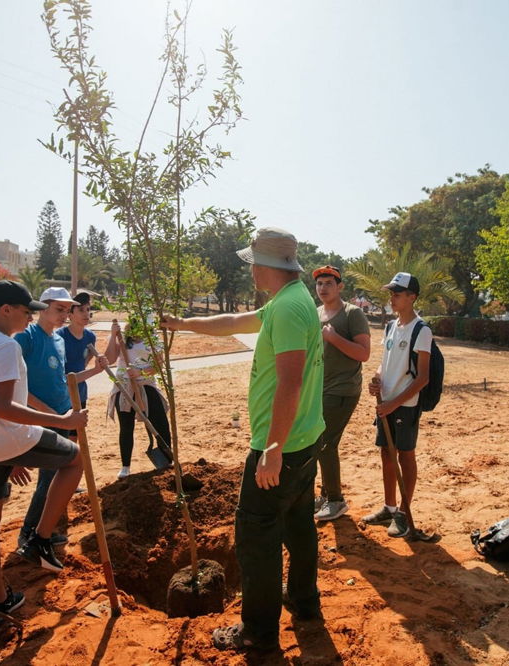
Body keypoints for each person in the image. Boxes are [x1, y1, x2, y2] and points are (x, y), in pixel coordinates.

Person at [162, 226, 324, 653]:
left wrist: (270, 450)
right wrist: (184, 323)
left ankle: (257, 634)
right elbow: (233, 322)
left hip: (281, 448)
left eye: (253, 261)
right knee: (299, 526)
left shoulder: (288, 309)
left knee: (255, 540)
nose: (250, 269)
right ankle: (305, 603)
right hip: (304, 441)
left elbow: (289, 384)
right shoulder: (288, 302)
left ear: (266, 265)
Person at [0, 280, 86, 629]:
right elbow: (4, 408)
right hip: (5, 438)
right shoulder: (5, 347)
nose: (31, 316)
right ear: (5, 310)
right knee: (75, 460)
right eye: (26, 310)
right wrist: (62, 420)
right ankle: (40, 539)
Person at [15, 287, 106, 552]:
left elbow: (66, 380)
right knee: (47, 480)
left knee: (54, 477)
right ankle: (29, 536)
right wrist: (53, 416)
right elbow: (18, 386)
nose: (64, 315)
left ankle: (40, 532)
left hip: (62, 417)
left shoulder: (57, 340)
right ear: (42, 307)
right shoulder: (26, 337)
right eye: (59, 309)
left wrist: (93, 373)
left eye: (67, 310)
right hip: (42, 418)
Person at [363, 272, 431, 539]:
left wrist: (394, 403)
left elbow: (423, 377)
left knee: (405, 455)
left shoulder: (421, 330)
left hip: (405, 404)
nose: (392, 297)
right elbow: (386, 361)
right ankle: (389, 507)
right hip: (386, 403)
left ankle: (403, 513)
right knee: (386, 453)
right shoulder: (391, 327)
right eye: (391, 293)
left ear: (412, 297)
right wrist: (378, 378)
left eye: (397, 294)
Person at [311, 265, 370, 521]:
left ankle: (336, 500)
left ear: (340, 287)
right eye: (319, 284)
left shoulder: (352, 313)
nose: (323, 288)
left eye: (328, 283)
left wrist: (333, 338)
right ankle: (325, 495)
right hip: (319, 389)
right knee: (317, 441)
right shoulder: (317, 313)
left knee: (325, 442)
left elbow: (363, 354)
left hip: (343, 389)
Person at [104, 316, 172, 478]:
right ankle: (125, 466)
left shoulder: (152, 339)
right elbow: (111, 359)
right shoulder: (121, 338)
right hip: (124, 386)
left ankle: (167, 460)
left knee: (160, 422)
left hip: (146, 384)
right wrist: (113, 336)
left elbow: (158, 365)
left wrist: (140, 372)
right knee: (126, 427)